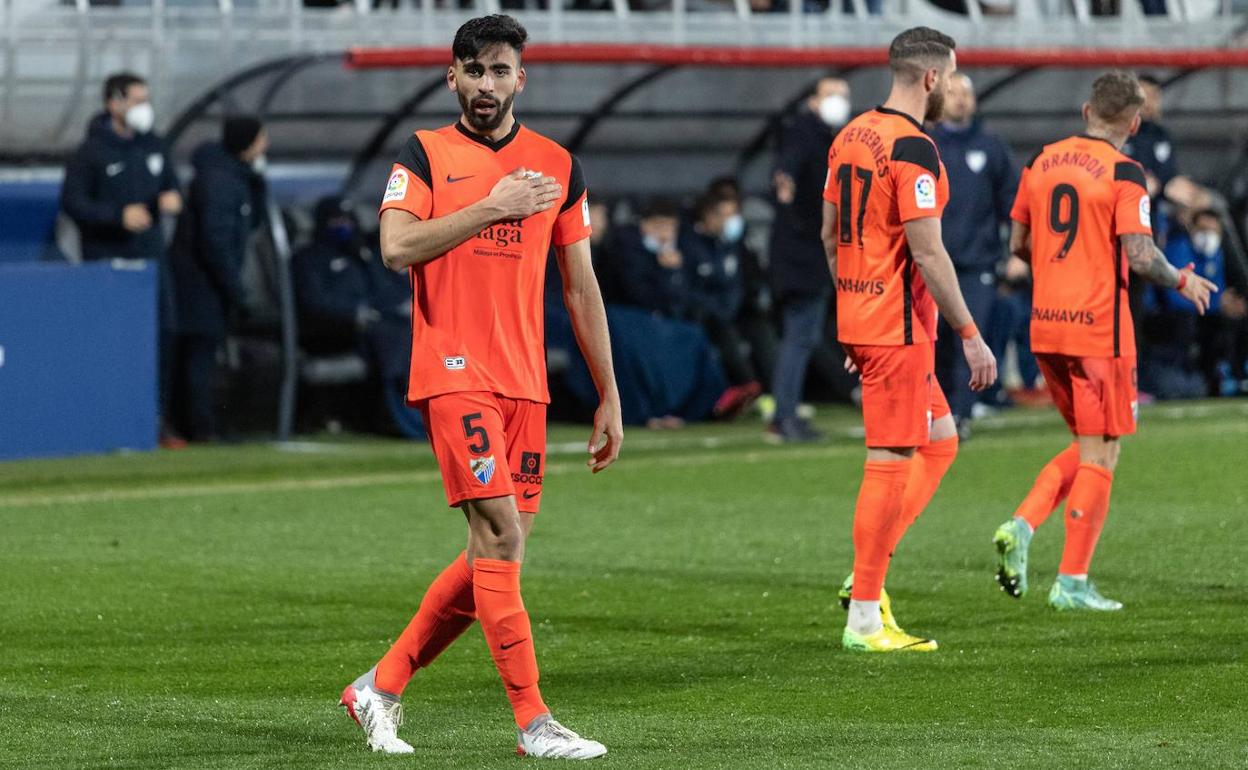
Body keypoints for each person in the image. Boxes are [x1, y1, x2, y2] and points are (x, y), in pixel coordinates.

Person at [339, 15, 620, 760]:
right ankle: (534, 724)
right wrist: (493, 205)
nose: (486, 84)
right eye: (473, 70)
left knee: (495, 553)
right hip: (453, 370)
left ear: (520, 78)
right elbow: (397, 247)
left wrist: (609, 392)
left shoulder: (558, 164)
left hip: (524, 380)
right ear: (451, 78)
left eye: (499, 71)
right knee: (498, 534)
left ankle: (380, 685)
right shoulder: (425, 153)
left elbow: (581, 288)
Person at [991, 71, 1215, 611]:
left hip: (1046, 324)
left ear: (1087, 111)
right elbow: (1139, 255)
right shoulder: (1125, 172)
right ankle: (1070, 581)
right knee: (1103, 453)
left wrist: (1054, 272)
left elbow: (1019, 241)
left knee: (1088, 446)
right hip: (1098, 329)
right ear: (1134, 123)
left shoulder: (1041, 161)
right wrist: (1183, 279)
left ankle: (1023, 526)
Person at [823, 27, 997, 653]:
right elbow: (928, 251)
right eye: (951, 76)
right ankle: (865, 616)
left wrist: (849, 309)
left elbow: (830, 232)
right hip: (897, 327)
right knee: (892, 459)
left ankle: (866, 571)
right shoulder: (913, 148)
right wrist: (971, 336)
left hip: (867, 317)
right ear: (931, 78)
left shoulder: (850, 135)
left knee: (941, 442)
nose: (953, 86)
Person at [61, 72, 184, 445]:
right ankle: (108, 422)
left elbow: (171, 186)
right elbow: (74, 204)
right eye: (136, 100)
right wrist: (117, 216)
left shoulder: (154, 146)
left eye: (146, 99)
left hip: (152, 260)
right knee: (114, 344)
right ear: (113, 103)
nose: (143, 108)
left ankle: (157, 420)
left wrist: (173, 198)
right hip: (109, 263)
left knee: (165, 334)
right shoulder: (90, 152)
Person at [168, 116, 268, 442]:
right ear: (248, 142)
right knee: (198, 356)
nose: (265, 143)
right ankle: (199, 429)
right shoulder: (220, 182)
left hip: (208, 284)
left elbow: (249, 224)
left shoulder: (234, 178)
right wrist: (236, 291)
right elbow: (215, 241)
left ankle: (200, 425)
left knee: (200, 356)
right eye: (261, 137)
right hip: (199, 285)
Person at [929, 73, 1018, 438]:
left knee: (970, 340)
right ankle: (936, 412)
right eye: (953, 94)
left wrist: (1017, 250)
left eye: (967, 93)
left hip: (977, 263)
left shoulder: (991, 145)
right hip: (933, 264)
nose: (962, 100)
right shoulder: (925, 143)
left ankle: (959, 416)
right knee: (936, 344)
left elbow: (1012, 201)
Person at [768, 76, 851, 443]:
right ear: (814, 100)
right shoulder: (805, 131)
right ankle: (784, 415)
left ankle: (789, 411)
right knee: (800, 336)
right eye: (831, 95)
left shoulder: (829, 136)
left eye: (843, 96)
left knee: (805, 334)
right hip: (801, 254)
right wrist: (784, 183)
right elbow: (786, 170)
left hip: (804, 252)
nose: (839, 101)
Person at [292, 196, 415, 424]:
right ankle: (398, 417)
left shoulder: (361, 254)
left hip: (380, 324)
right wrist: (355, 313)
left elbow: (386, 289)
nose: (344, 226)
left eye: (348, 219)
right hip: (337, 332)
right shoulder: (308, 259)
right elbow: (313, 303)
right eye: (337, 220)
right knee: (395, 339)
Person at [680, 189, 764, 417]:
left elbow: (735, 284)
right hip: (699, 315)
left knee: (759, 327)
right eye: (725, 215)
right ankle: (745, 384)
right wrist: (717, 309)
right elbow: (686, 289)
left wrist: (727, 308)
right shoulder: (689, 244)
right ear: (709, 216)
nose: (731, 222)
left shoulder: (727, 245)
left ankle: (766, 390)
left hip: (727, 312)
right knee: (720, 327)